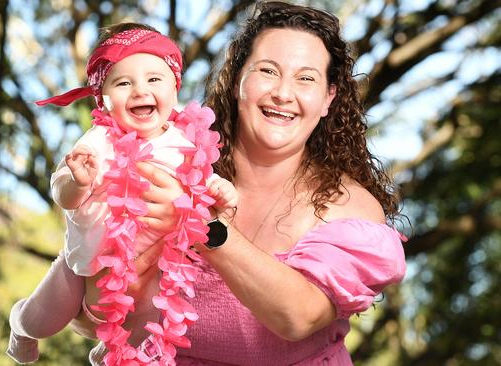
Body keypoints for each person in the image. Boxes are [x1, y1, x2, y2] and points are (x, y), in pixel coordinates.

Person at [72, 2, 407, 365]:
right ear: (236, 81)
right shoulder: (165, 162)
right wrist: (106, 283)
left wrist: (198, 223)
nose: (283, 92)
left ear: (328, 98)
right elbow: (88, 318)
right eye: (267, 70)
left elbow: (300, 318)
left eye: (306, 78)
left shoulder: (348, 208)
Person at [6, 22, 238, 364]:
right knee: (42, 321)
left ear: (175, 89)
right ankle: (19, 326)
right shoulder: (99, 141)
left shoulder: (186, 143)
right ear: (103, 99)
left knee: (151, 327)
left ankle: (111, 353)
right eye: (124, 82)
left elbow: (203, 194)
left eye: (154, 79)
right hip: (85, 266)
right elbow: (62, 194)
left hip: (154, 267)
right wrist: (78, 182)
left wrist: (221, 189)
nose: (140, 90)